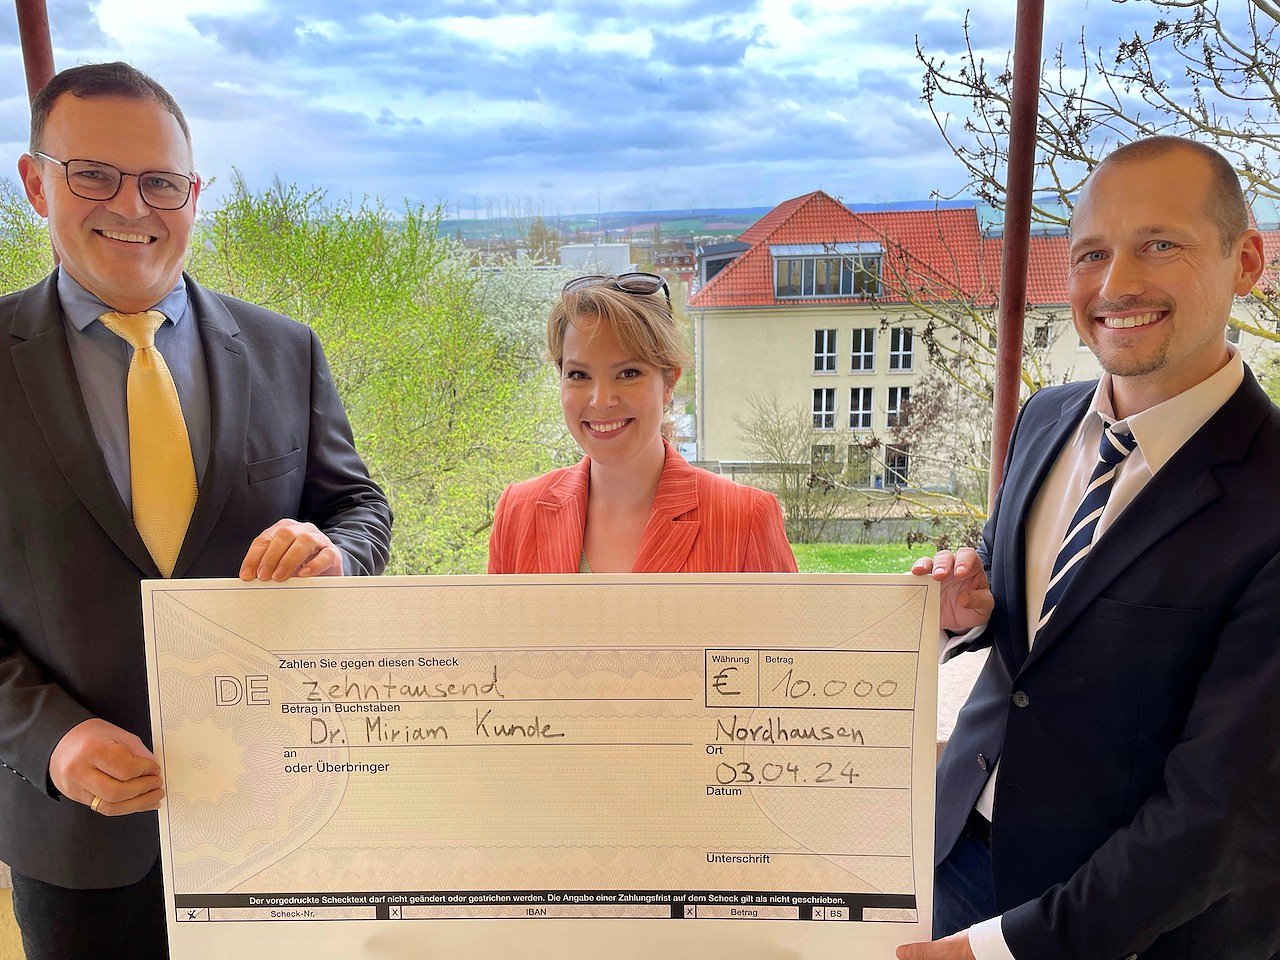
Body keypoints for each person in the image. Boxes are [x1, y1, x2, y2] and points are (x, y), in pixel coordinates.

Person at [0, 63, 392, 958]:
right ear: (36, 183)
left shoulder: (286, 350)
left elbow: (359, 507)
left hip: (283, 814)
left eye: (160, 182)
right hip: (77, 845)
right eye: (93, 175)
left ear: (194, 193)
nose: (130, 206)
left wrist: (333, 551)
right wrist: (49, 737)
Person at [898, 136, 1280, 960]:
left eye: (1160, 244)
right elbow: (1043, 636)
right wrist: (970, 609)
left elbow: (1221, 809)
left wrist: (1003, 949)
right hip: (955, 849)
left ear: (1246, 261)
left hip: (1125, 924)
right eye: (1092, 254)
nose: (1115, 285)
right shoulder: (1044, 419)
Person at [489, 273, 797, 574]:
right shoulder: (517, 513)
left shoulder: (746, 519)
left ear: (669, 382)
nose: (601, 400)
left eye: (628, 373)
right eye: (579, 375)